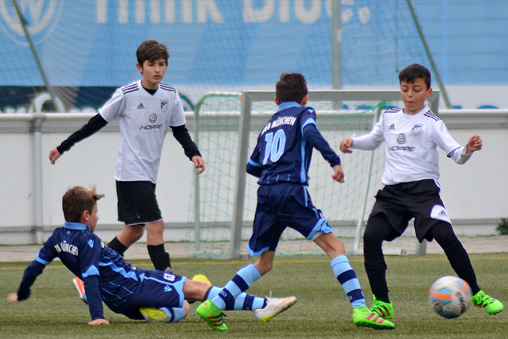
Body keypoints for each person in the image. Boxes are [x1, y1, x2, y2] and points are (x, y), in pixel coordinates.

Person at [195, 73, 395, 331]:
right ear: (305, 98)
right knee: (335, 247)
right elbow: (310, 132)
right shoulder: (304, 113)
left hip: (266, 193)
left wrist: (282, 170)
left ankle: (213, 306)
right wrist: (333, 160)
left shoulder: (268, 125)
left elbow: (252, 166)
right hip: (290, 192)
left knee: (263, 263)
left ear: (276, 99)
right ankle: (360, 309)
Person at [339, 63, 504, 321]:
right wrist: (353, 142)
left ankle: (477, 293)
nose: (409, 95)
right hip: (392, 194)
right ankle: (382, 304)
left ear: (428, 92)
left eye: (416, 89)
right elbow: (373, 140)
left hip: (424, 192)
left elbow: (457, 155)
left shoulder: (432, 123)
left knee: (445, 236)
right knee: (371, 237)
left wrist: (468, 149)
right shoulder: (388, 117)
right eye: (405, 89)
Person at [7, 186, 297, 325]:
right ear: (86, 215)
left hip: (125, 295)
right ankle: (261, 306)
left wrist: (21, 293)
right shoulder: (89, 241)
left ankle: (156, 310)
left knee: (190, 294)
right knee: (192, 295)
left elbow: (34, 267)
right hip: (134, 286)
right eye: (96, 213)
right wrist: (97, 317)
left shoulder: (57, 237)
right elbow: (92, 278)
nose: (98, 217)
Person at [49, 40, 204, 275]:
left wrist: (194, 153)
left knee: (133, 231)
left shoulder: (170, 96)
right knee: (156, 225)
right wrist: (63, 147)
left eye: (162, 64)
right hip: (131, 172)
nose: (157, 69)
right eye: (151, 64)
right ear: (139, 67)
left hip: (148, 173)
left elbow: (180, 130)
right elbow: (95, 123)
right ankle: (170, 281)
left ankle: (91, 273)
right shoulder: (126, 95)